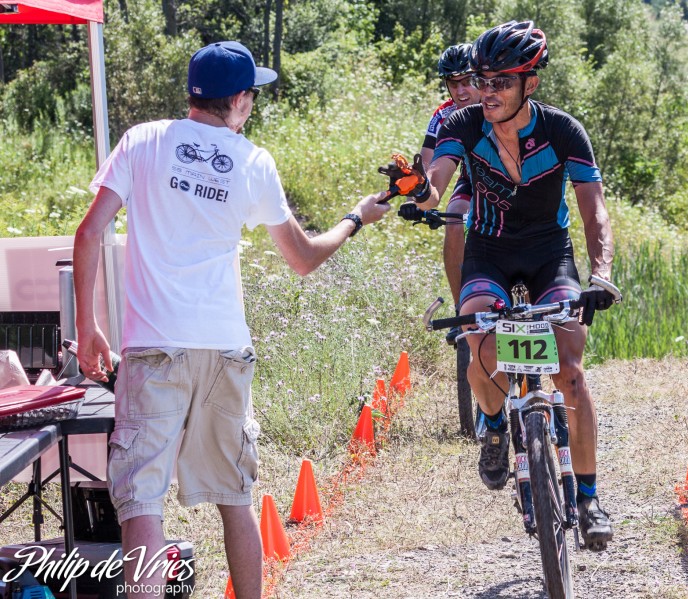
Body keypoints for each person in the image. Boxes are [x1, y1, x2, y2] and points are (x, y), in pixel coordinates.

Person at [73, 41, 390, 598]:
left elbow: (89, 231)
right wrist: (356, 217)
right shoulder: (252, 161)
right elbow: (303, 259)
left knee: (142, 503)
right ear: (240, 100)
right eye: (252, 97)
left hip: (153, 348)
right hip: (224, 349)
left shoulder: (143, 140)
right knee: (235, 500)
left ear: (194, 94)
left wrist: (88, 327)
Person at [416, 21, 618, 551]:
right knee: (480, 344)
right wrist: (419, 189)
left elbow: (594, 211)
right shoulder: (463, 123)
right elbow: (437, 184)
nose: (487, 92)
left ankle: (589, 497)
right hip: (490, 252)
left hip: (551, 254)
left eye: (501, 82)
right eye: (482, 81)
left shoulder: (563, 131)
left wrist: (601, 273)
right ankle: (493, 425)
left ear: (530, 83)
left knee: (570, 372)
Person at [417, 43, 480, 310]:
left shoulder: (498, 103)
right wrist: (416, 195)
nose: (460, 91)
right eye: (453, 84)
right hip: (472, 176)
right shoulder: (443, 114)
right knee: (454, 218)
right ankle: (460, 309)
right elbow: (426, 161)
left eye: (467, 82)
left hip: (511, 180)